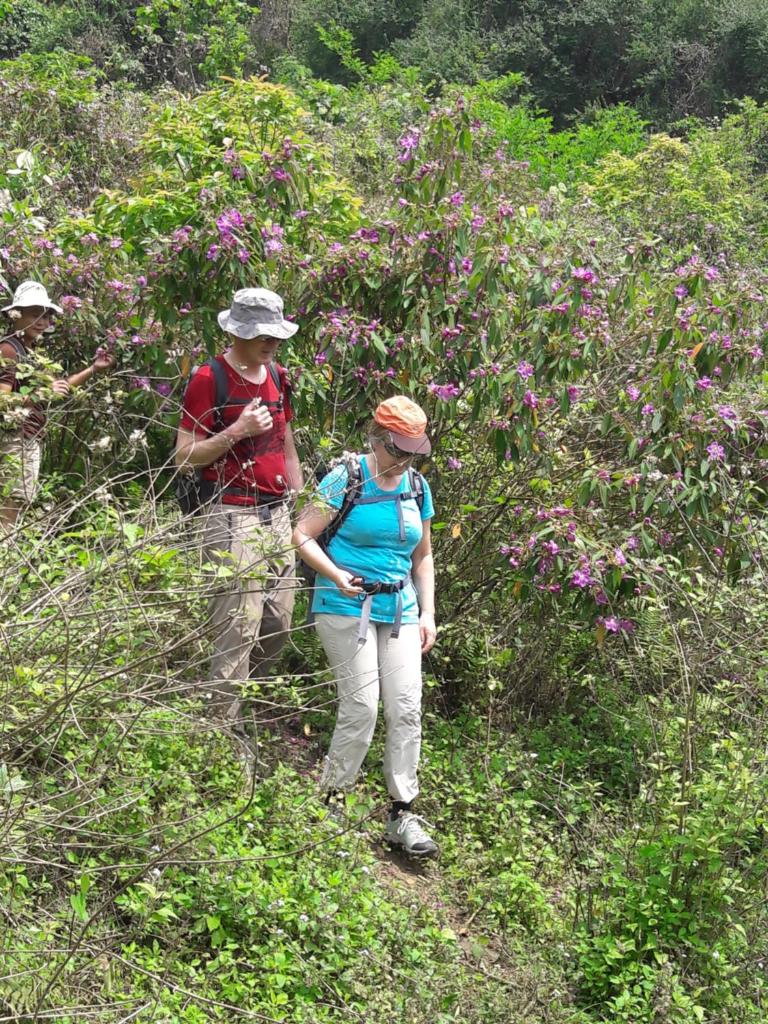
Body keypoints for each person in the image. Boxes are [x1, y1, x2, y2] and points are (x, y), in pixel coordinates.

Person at [293, 395, 438, 857]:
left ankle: (402, 813)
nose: (406, 459)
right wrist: (335, 574)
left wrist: (429, 613)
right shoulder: (346, 477)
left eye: (414, 451)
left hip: (401, 610)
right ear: (377, 438)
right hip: (343, 604)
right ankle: (331, 803)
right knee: (361, 708)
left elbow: (424, 555)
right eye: (399, 449)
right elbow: (300, 533)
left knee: (407, 708)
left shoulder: (417, 487)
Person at [176, 287, 304, 736]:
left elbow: (284, 439)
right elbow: (184, 455)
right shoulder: (210, 378)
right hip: (230, 513)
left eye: (276, 335)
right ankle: (220, 734)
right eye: (262, 335)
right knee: (238, 627)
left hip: (277, 512)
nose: (271, 343)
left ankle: (240, 702)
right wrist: (237, 429)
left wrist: (299, 495)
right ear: (238, 331)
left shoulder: (279, 376)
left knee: (277, 624)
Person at [0, 280, 115, 529]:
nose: (41, 321)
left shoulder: (30, 351)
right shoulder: (9, 350)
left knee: (19, 503)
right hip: (14, 440)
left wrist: (93, 369)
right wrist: (41, 395)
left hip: (27, 438)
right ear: (15, 316)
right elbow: (3, 399)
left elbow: (59, 387)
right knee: (12, 505)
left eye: (45, 315)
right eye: (33, 314)